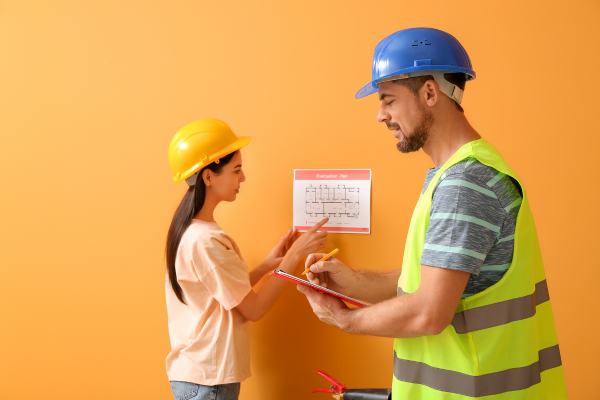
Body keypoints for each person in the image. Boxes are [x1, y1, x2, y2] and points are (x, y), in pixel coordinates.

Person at [297, 28, 567, 399]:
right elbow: (436, 280)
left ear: (429, 93)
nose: (381, 116)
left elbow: (429, 312)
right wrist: (354, 282)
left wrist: (344, 319)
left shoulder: (465, 183)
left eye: (388, 100)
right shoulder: (457, 173)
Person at [165, 118, 328, 400]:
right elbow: (252, 309)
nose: (243, 178)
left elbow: (222, 293)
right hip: (208, 382)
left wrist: (267, 266)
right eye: (236, 170)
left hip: (201, 377)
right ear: (208, 176)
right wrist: (293, 256)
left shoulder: (193, 232)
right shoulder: (204, 240)